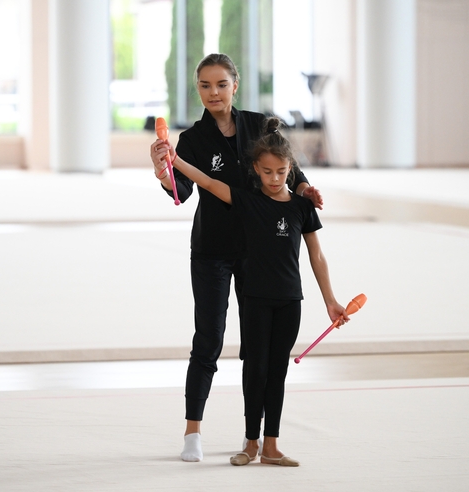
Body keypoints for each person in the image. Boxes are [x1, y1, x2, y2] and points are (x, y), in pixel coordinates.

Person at [150, 53, 323, 462]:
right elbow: (182, 193)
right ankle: (193, 432)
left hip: (258, 255)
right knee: (208, 340)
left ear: (235, 85)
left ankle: (257, 438)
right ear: (198, 89)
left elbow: (289, 174)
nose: (214, 92)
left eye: (221, 84)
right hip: (211, 251)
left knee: (258, 349)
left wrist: (307, 191)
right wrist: (163, 174)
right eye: (205, 86)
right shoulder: (192, 139)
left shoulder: (260, 126)